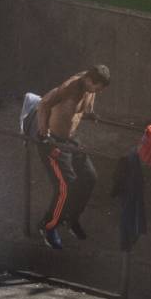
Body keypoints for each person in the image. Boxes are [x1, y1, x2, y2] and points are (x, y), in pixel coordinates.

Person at [30, 64, 110, 250]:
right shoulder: (70, 87)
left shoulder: (90, 86)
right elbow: (44, 104)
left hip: (70, 139)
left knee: (89, 177)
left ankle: (71, 218)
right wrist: (44, 134)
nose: (97, 92)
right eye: (97, 88)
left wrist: (91, 114)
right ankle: (48, 226)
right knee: (66, 184)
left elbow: (85, 106)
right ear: (90, 80)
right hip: (53, 140)